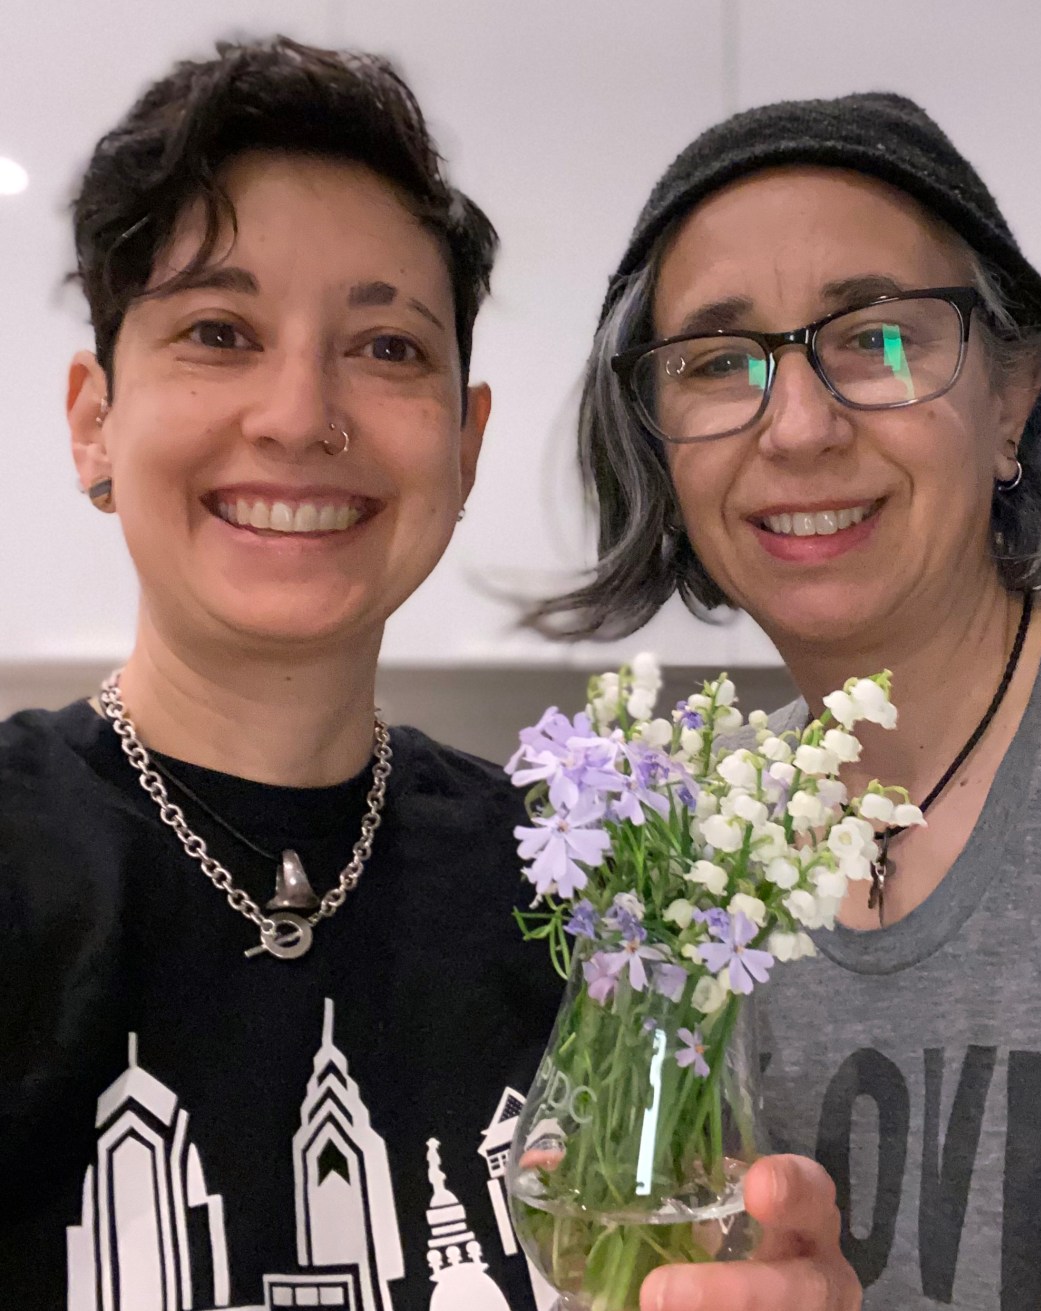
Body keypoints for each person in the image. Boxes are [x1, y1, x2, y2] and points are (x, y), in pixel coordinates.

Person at [0, 38, 854, 1311]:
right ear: (92, 421)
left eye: (388, 347)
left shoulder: (593, 907)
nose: (299, 414)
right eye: (219, 331)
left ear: (463, 445)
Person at [539, 92, 1041, 1309]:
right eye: (714, 363)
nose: (796, 427)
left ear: (1011, 398)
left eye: (876, 340)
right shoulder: (686, 877)